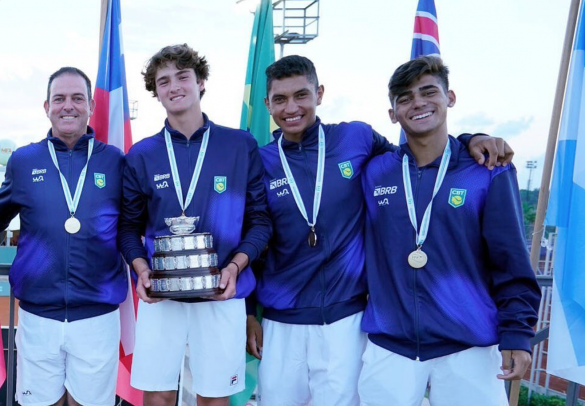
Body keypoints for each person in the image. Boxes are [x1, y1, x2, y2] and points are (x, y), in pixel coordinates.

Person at [246, 55, 516, 406]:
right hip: (282, 318)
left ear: (319, 94)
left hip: (346, 318)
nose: (292, 107)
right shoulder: (261, 160)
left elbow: (416, 157)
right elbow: (253, 231)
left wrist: (469, 140)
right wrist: (249, 311)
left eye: (301, 95)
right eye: (280, 99)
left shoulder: (355, 137)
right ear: (268, 104)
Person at [358, 56, 541, 406]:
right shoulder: (375, 171)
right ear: (393, 114)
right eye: (405, 98)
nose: (418, 103)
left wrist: (517, 332)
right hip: (390, 345)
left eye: (429, 92)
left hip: (468, 345)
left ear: (450, 98)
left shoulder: (487, 171)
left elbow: (510, 259)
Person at [118, 43, 272, 406]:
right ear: (156, 92)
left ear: (201, 82)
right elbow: (127, 227)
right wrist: (141, 269)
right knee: (157, 394)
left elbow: (260, 221)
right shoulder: (142, 154)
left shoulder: (240, 145)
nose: (174, 87)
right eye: (164, 81)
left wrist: (235, 267)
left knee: (214, 397)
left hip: (222, 289)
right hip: (162, 293)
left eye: (182, 76)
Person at [0, 67, 127, 406]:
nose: (67, 106)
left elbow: (132, 226)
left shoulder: (115, 161)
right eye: (59, 99)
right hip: (38, 315)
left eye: (77, 98)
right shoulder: (24, 160)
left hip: (97, 316)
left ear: (91, 106)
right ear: (47, 107)